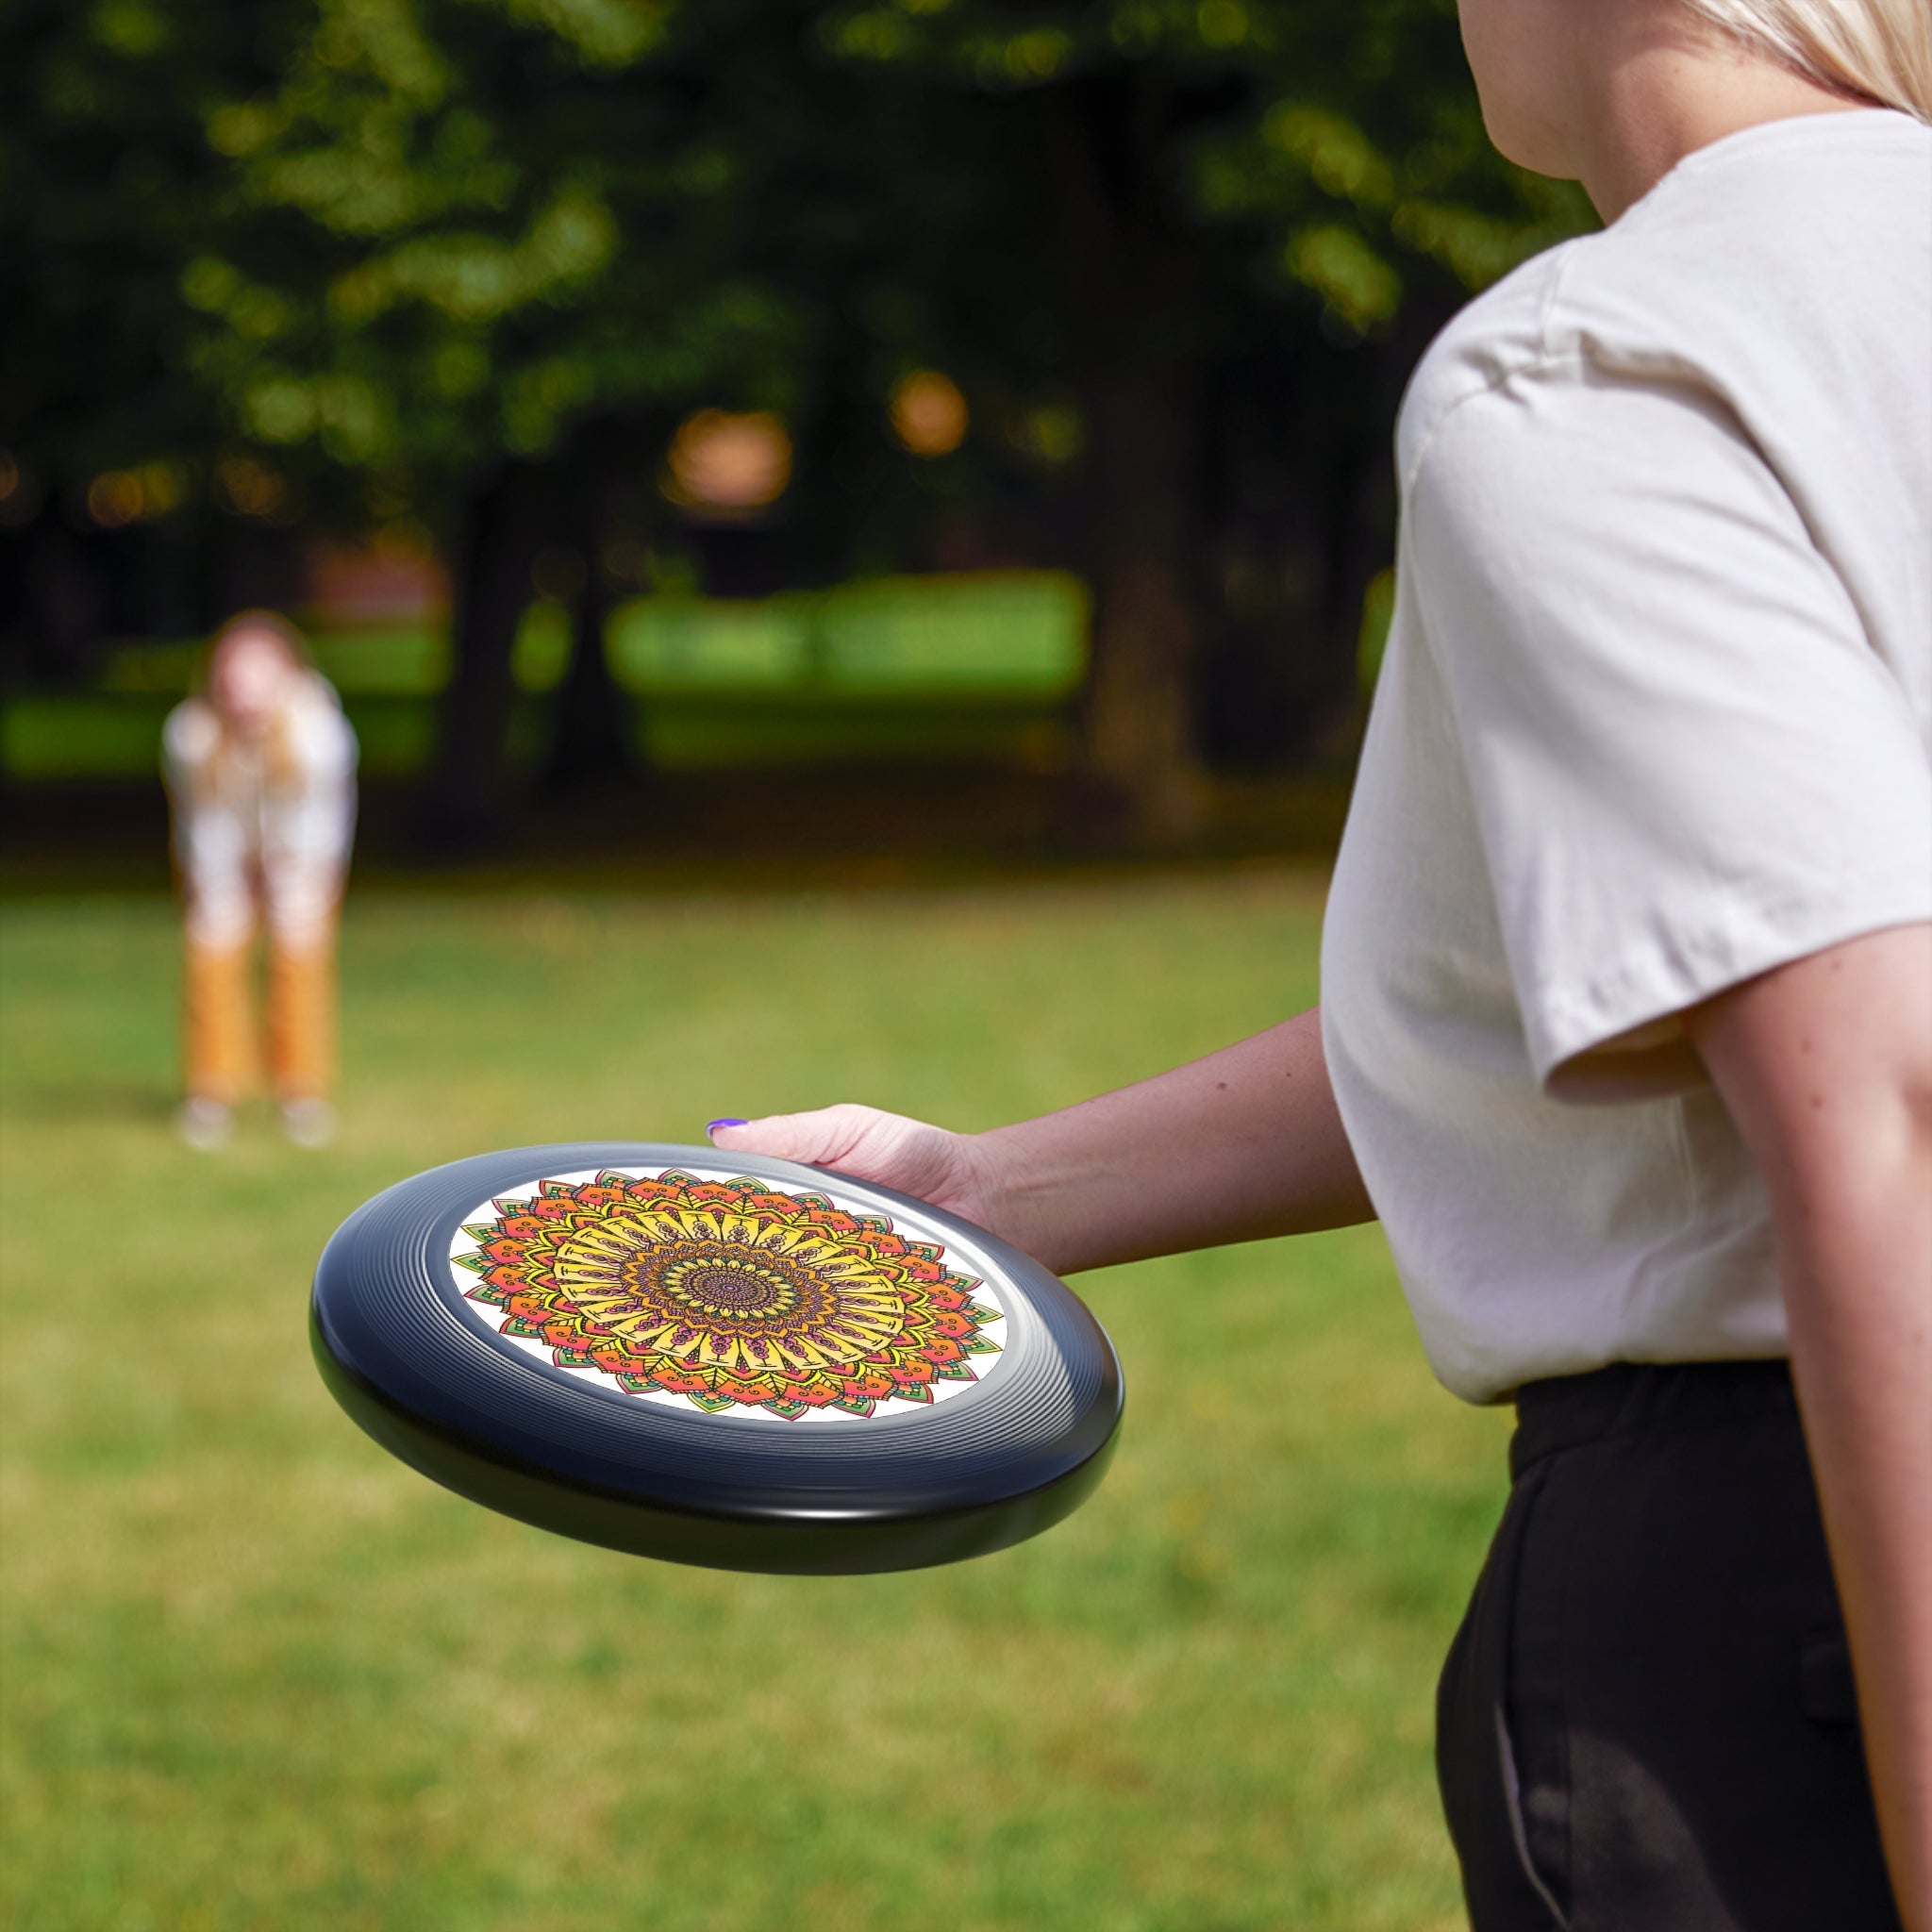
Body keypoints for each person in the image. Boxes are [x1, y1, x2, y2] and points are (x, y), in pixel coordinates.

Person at [704, 2, 1932, 1925]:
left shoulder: (1610, 362)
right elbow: (1629, 990)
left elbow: (1885, 1100)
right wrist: (988, 1191)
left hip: (1793, 1593)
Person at [163, 611, 358, 1150]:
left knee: (299, 958)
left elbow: (318, 823)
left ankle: (300, 1092)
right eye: (234, 675)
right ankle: (212, 1091)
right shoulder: (191, 735)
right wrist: (225, 886)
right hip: (221, 856)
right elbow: (204, 823)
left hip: (302, 858)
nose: (244, 690)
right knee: (212, 952)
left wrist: (287, 880)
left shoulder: (319, 733)